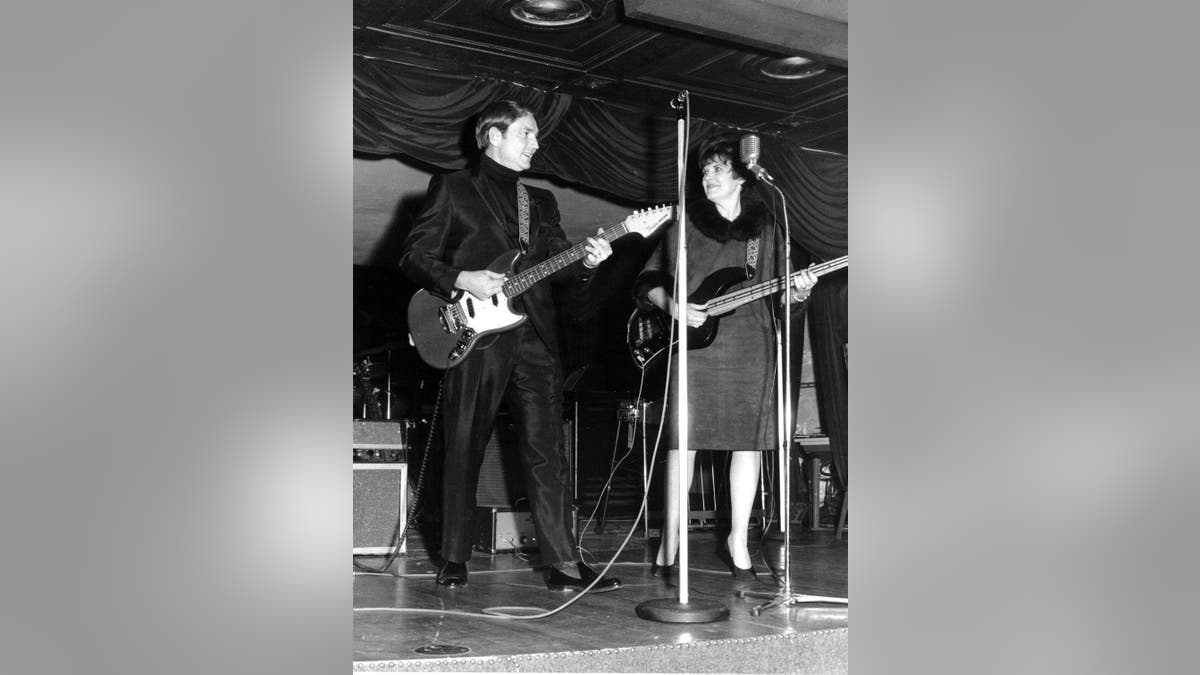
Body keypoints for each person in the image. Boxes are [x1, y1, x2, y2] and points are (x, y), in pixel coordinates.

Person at [398, 100, 620, 592]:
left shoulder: (539, 202)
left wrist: (587, 261)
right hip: (474, 337)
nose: (536, 144)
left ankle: (563, 565)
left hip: (535, 337)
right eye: (526, 134)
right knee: (464, 445)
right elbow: (413, 256)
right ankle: (454, 557)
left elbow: (561, 267)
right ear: (493, 136)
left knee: (548, 454)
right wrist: (462, 278)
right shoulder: (453, 188)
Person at [634, 136, 816, 579]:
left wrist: (799, 292)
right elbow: (648, 280)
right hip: (695, 348)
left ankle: (738, 538)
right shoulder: (685, 225)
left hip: (751, 344)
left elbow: (782, 297)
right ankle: (671, 541)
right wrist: (674, 306)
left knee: (748, 444)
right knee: (683, 443)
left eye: (716, 169)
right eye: (704, 171)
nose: (707, 177)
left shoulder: (768, 228)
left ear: (741, 175)